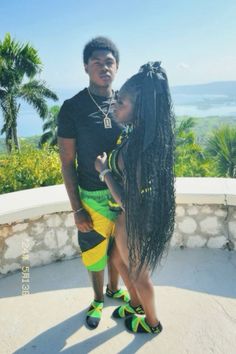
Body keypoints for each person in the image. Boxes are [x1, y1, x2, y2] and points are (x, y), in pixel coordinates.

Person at [95, 61, 175, 334]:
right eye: (116, 99)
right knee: (117, 261)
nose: (115, 105)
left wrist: (104, 170)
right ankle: (136, 305)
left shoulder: (140, 149)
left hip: (134, 218)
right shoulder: (137, 134)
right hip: (127, 219)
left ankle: (152, 323)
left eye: (122, 103)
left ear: (139, 109)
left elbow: (128, 200)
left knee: (140, 275)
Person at [57, 37, 131, 329]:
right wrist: (77, 210)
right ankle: (98, 299)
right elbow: (66, 162)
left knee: (119, 249)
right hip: (91, 196)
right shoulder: (72, 108)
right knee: (94, 252)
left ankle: (115, 289)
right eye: (97, 62)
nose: (104, 67)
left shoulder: (126, 104)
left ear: (117, 66)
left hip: (123, 196)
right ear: (86, 66)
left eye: (109, 62)